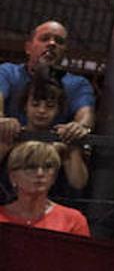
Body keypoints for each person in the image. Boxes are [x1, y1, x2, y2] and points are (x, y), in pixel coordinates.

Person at [0, 66, 89, 200]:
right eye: (35, 104)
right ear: (25, 106)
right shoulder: (11, 136)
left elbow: (78, 183)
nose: (41, 111)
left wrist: (72, 147)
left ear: (59, 110)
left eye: (49, 106)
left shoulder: (63, 142)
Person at [0, 20, 96, 144]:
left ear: (64, 52)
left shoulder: (78, 84)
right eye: (44, 39)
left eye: (59, 41)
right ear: (28, 47)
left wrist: (80, 127)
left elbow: (85, 114)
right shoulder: (7, 72)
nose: (52, 44)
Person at [0, 141, 89, 234]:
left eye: (47, 167)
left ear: (54, 176)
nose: (40, 173)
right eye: (31, 167)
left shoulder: (73, 220)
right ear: (13, 176)